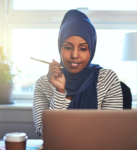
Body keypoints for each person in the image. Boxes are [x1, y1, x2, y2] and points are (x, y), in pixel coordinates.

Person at [33, 10, 123, 138]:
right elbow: (46, 135)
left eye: (83, 49)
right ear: (60, 47)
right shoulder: (43, 83)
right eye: (68, 47)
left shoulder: (107, 79)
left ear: (91, 50)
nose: (74, 55)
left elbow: (112, 133)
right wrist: (59, 91)